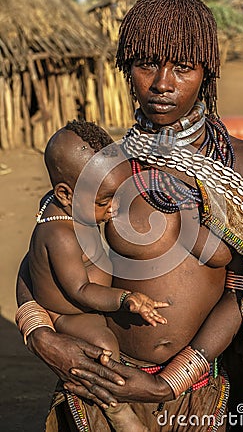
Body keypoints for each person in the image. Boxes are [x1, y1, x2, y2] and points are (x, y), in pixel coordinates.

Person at [16, 0, 243, 432]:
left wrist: (169, 384)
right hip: (101, 382)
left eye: (183, 67)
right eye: (146, 64)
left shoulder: (242, 164)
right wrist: (42, 336)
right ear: (126, 68)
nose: (162, 83)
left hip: (199, 391)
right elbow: (41, 259)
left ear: (207, 74)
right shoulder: (101, 166)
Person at [24, 119, 170, 432]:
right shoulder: (61, 235)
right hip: (70, 313)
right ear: (65, 194)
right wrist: (126, 299)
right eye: (105, 201)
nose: (115, 208)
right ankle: (116, 410)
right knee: (104, 345)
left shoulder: (68, 205)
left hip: (84, 301)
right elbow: (80, 290)